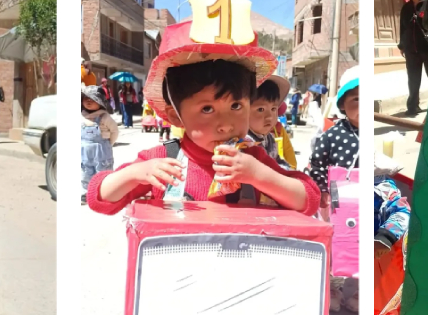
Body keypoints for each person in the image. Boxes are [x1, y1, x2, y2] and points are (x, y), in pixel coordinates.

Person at [86, 22, 320, 217]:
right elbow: (100, 198)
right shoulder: (162, 162)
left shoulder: (253, 159)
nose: (227, 124)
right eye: (207, 109)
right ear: (174, 116)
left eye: (236, 105)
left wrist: (258, 175)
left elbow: (308, 199)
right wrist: (136, 173)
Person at [307, 70, 359, 311]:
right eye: (355, 100)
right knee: (338, 243)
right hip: (338, 200)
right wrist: (323, 193)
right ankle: (334, 288)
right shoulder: (332, 136)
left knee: (362, 244)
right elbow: (316, 164)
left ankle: (359, 292)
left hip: (366, 199)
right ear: (343, 106)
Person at [399, 0, 428, 116]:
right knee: (413, 80)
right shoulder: (406, 8)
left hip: (427, 48)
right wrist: (402, 45)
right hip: (411, 50)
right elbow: (402, 27)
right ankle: (413, 107)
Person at [81, 85, 118, 204]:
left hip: (102, 150)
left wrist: (108, 143)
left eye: (92, 99)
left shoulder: (104, 117)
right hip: (85, 151)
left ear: (100, 102)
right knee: (86, 171)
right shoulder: (81, 116)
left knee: (103, 172)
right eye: (85, 98)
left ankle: (104, 193)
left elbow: (114, 131)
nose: (88, 101)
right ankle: (88, 193)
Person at [248, 76, 292, 170]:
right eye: (260, 109)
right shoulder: (245, 143)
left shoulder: (269, 138)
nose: (269, 116)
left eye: (273, 109)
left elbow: (278, 162)